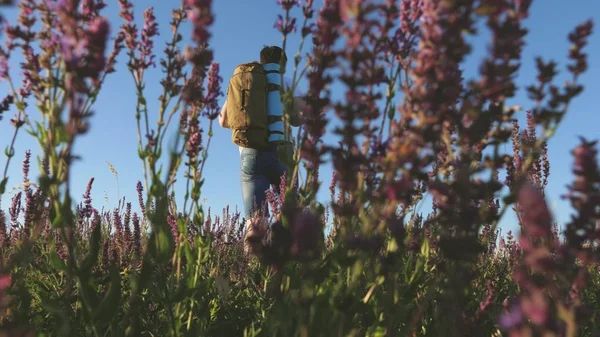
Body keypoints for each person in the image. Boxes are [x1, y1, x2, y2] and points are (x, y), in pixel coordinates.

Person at [218, 46, 305, 249]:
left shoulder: (246, 81)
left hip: (251, 153)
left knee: (255, 224)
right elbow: (300, 118)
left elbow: (222, 120)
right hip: (283, 153)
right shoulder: (287, 82)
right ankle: (288, 269)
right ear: (282, 63)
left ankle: (251, 274)